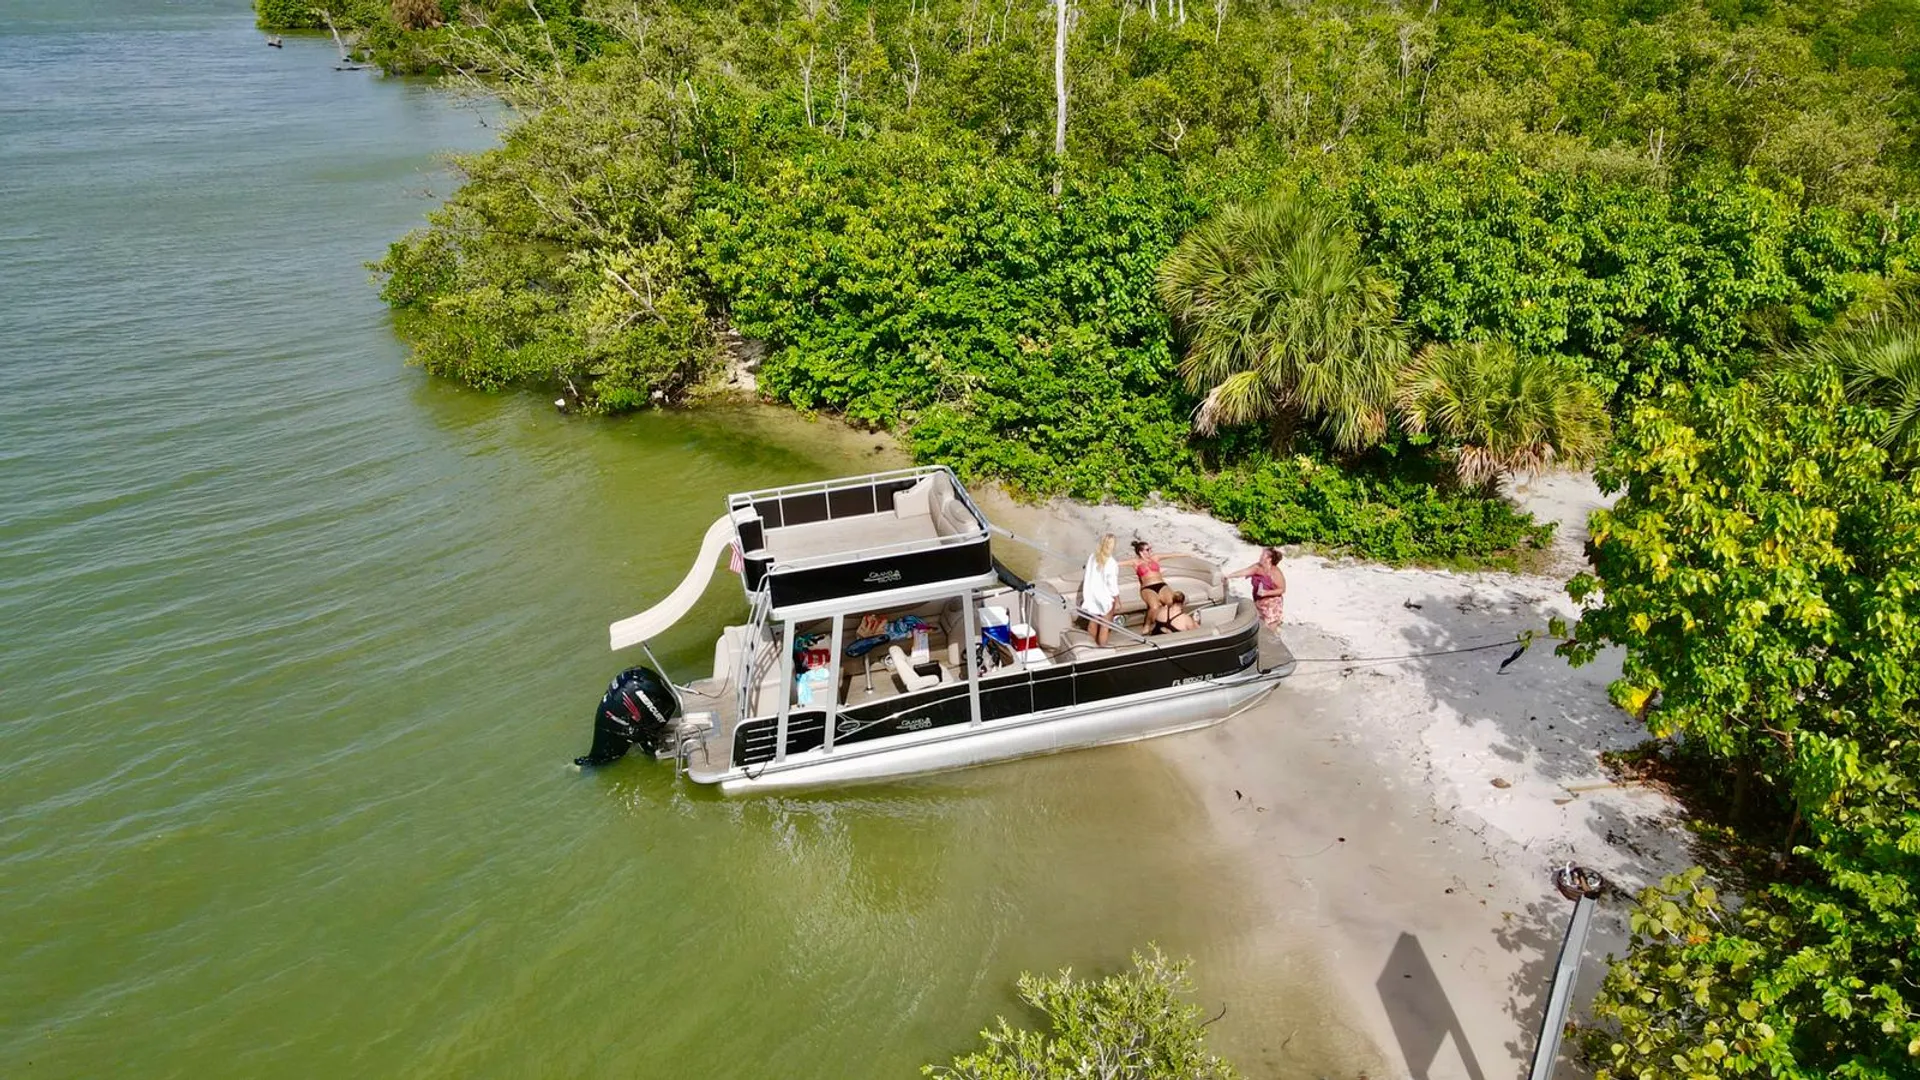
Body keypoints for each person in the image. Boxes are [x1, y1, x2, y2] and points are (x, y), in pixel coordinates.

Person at [1226, 547, 1286, 630]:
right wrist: (1229, 576)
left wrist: (1265, 593)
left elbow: (1282, 589)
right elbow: (1244, 572)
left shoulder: (1275, 572)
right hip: (1259, 601)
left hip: (1272, 603)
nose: (1260, 556)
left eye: (1263, 555)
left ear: (1269, 559)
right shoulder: (1257, 567)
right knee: (1258, 625)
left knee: (1270, 629)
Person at [1079, 534, 1122, 646]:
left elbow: (1088, 575)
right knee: (1105, 625)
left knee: (1093, 621)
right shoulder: (1111, 563)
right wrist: (1117, 600)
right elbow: (1112, 585)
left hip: (1092, 595)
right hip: (1105, 597)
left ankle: (1090, 647)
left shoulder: (1093, 557)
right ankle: (1102, 649)